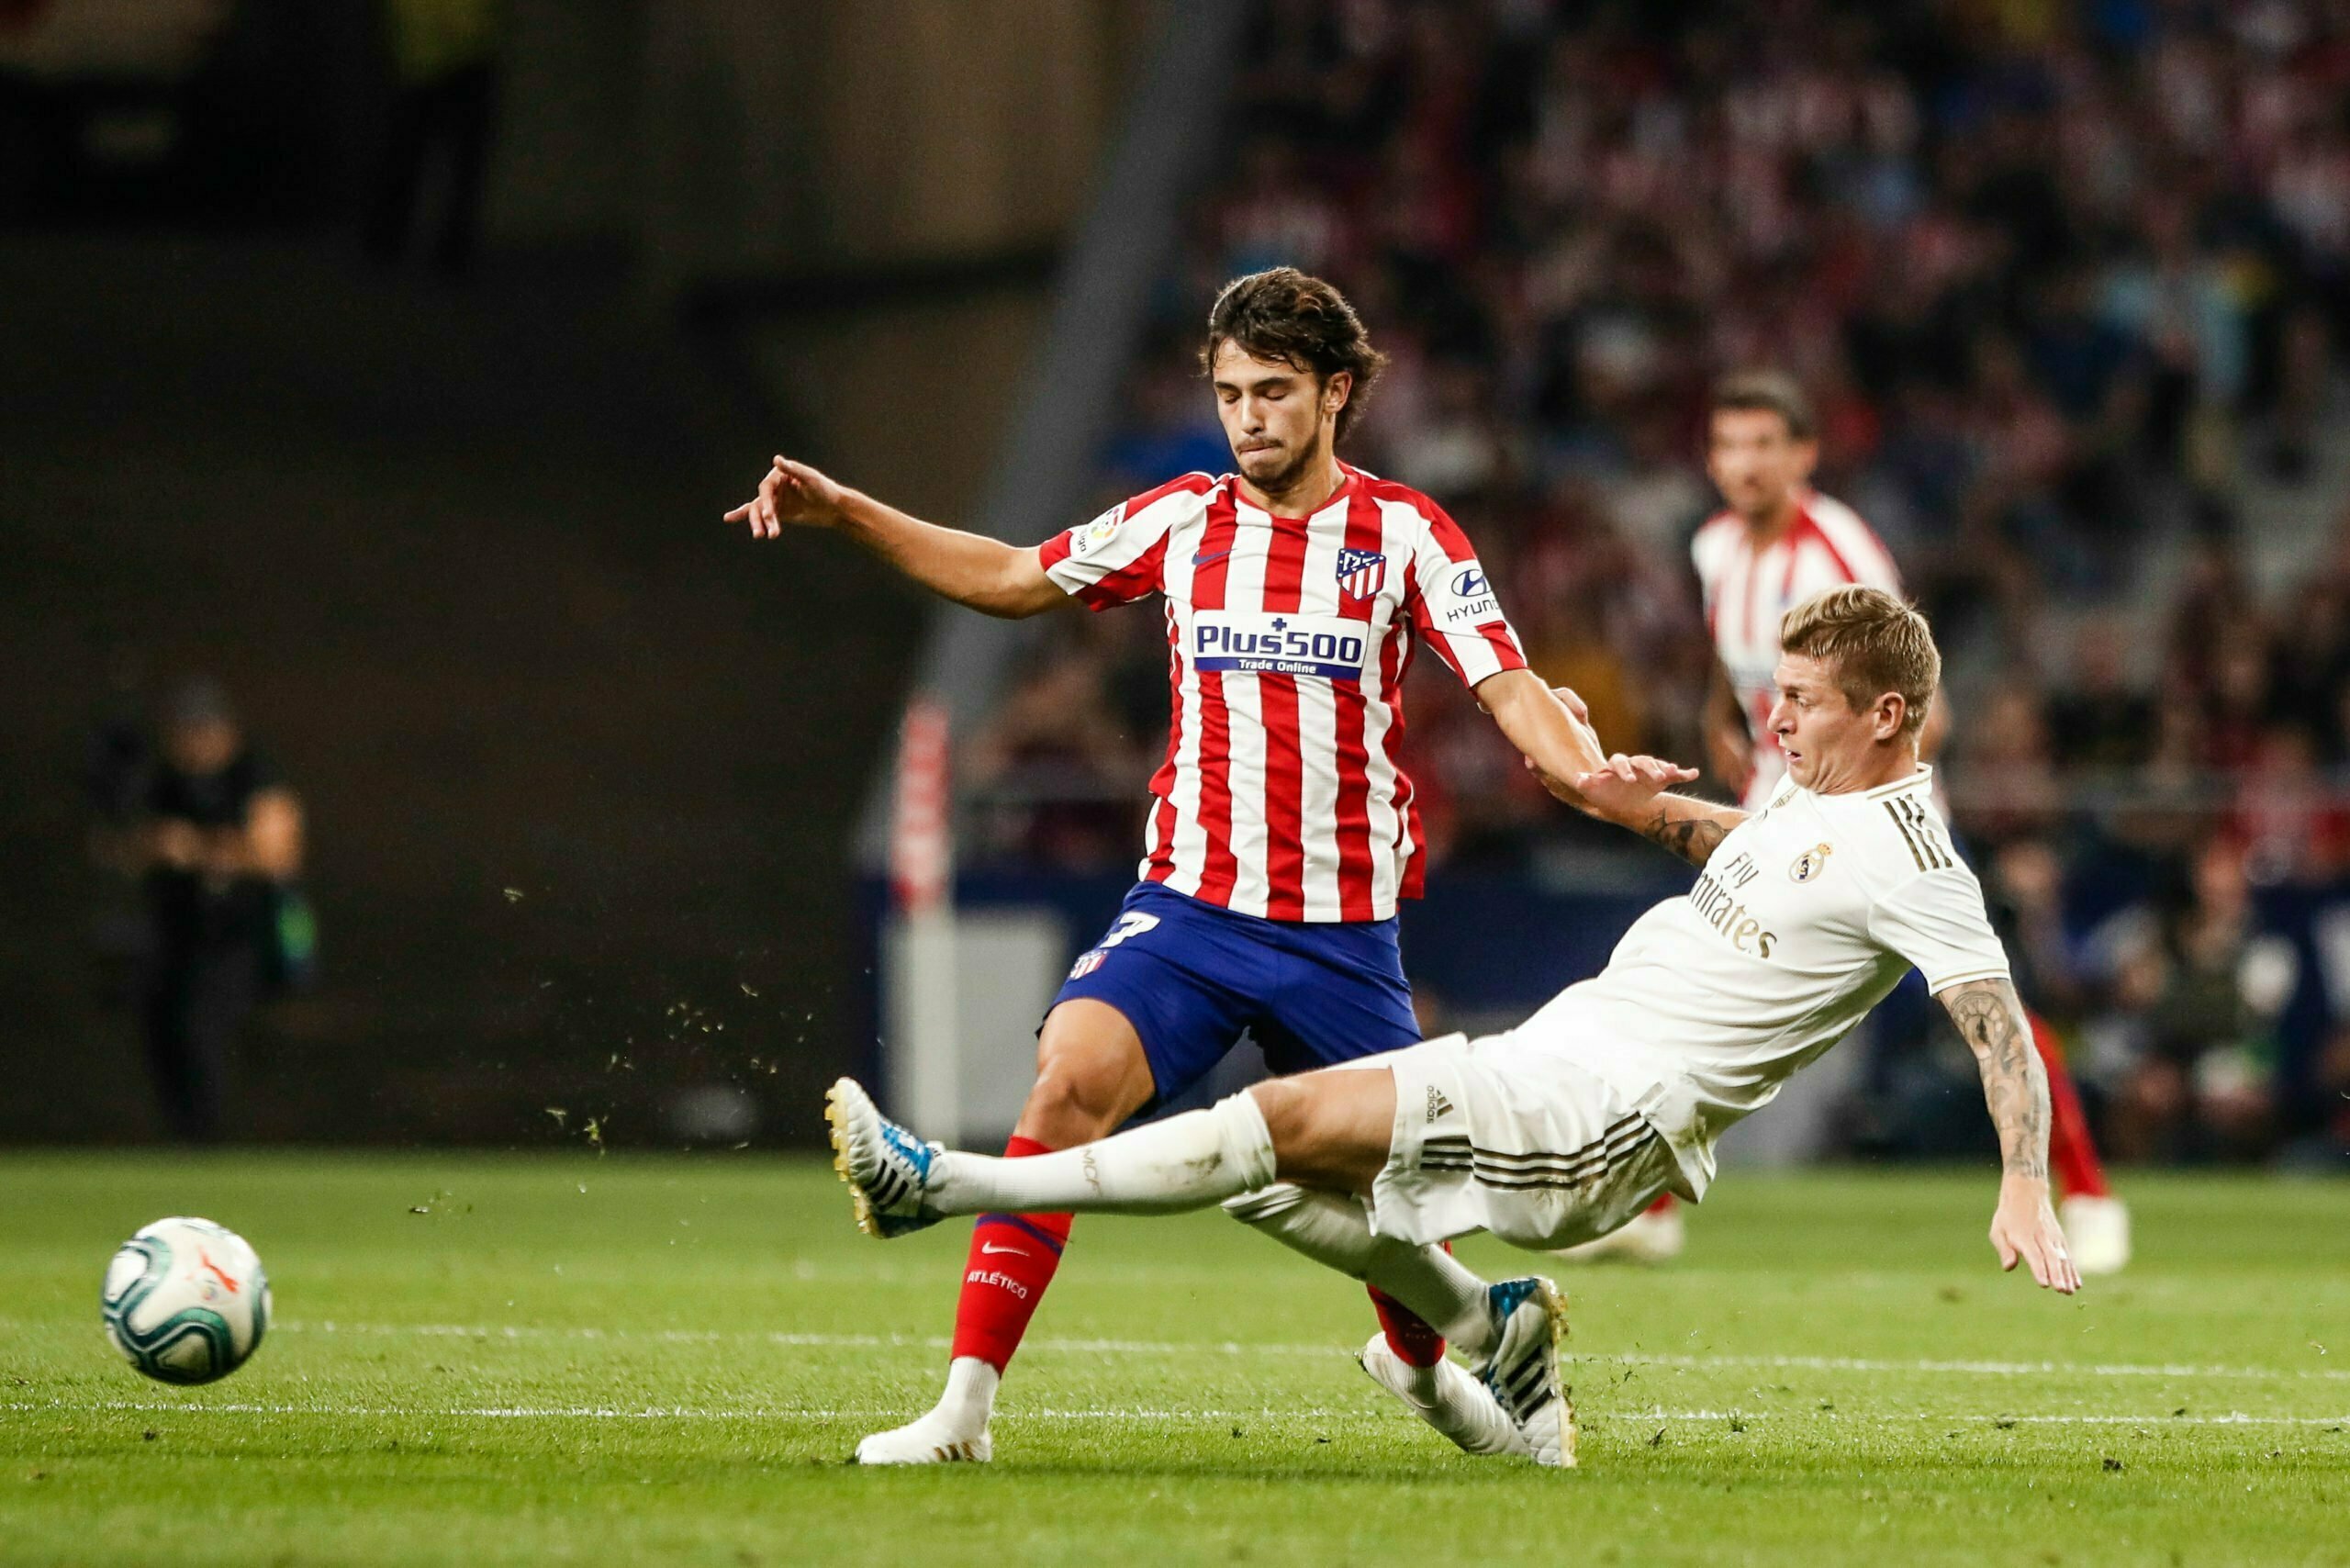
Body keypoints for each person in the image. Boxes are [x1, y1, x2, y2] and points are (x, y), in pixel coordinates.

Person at [827, 586, 2081, 1468]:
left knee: (1267, 1123)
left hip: (1604, 1119)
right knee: (1274, 1185)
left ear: (1888, 714)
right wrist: (1625, 803)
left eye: (1804, 702)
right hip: (1556, 1056)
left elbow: (1997, 1026)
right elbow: (1746, 846)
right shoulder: (1812, 802)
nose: (1779, 723)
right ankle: (1495, 1340)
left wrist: (2026, 1180)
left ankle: (941, 1186)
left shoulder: (1921, 861)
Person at [728, 267, 1617, 1463]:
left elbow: (1506, 683)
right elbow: (1007, 577)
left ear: (1337, 392)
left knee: (1393, 1207)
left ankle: (1434, 1366)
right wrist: (849, 512)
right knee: (1065, 1087)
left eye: (1275, 391)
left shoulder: (1403, 533)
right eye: (1231, 392)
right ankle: (962, 1414)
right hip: (1190, 914)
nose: (1248, 415)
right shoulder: (1180, 519)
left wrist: (1588, 771)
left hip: (1343, 940)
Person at [1572, 371, 2128, 1271]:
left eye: (1763, 445)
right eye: (1727, 445)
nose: (1743, 464)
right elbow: (1734, 655)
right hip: (1777, 795)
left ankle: (2090, 1192)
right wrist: (1723, 711)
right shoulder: (1715, 546)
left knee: (1980, 1000)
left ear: (1802, 455)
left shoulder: (1842, 550)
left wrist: (1891, 786)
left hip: (1870, 808)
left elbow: (1916, 687)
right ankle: (1653, 1206)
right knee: (1717, 982)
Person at [136, 680, 304, 1142]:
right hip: (176, 934)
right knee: (165, 1033)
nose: (194, 743)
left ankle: (213, 1143)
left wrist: (196, 849)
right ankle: (184, 1139)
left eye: (203, 731)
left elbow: (279, 854)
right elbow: (118, 844)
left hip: (240, 938)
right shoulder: (165, 783)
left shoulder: (254, 777)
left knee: (205, 1032)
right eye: (185, 732)